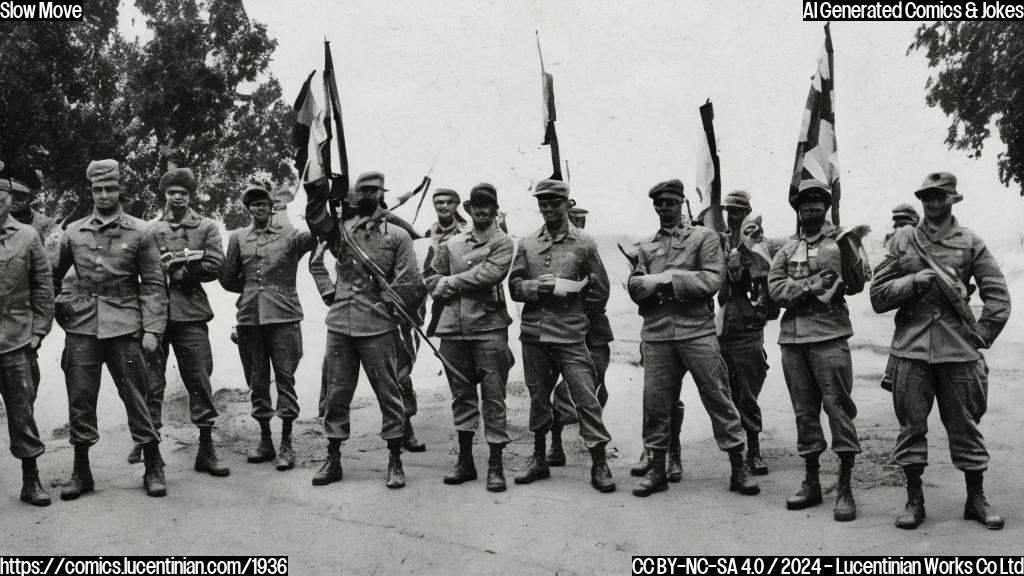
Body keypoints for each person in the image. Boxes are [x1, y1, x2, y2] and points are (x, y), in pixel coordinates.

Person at [870, 172, 1010, 530]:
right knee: (911, 427)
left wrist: (982, 336)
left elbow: (997, 295)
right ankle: (914, 501)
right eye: (927, 197)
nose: (932, 203)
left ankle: (975, 498)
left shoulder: (970, 242)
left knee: (965, 427)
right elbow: (878, 294)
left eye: (939, 197)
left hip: (958, 350)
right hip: (911, 349)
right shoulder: (903, 241)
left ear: (953, 199)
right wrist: (912, 282)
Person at [627, 179, 758, 498]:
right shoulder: (646, 245)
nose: (664, 208)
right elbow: (634, 284)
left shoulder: (704, 237)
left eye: (670, 203)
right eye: (659, 204)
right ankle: (657, 469)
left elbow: (713, 279)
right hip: (657, 333)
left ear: (681, 203)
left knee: (718, 396)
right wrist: (640, 285)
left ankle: (738, 467)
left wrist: (667, 280)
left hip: (696, 331)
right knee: (656, 403)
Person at [53, 159, 168, 499]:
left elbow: (153, 283)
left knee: (138, 397)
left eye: (110, 188)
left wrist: (152, 330)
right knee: (80, 399)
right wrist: (66, 310)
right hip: (83, 328)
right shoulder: (72, 232)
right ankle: (81, 470)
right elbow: (53, 278)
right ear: (90, 191)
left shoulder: (141, 230)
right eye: (97, 189)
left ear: (120, 189)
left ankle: (153, 464)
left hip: (125, 326)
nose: (104, 195)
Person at [305, 171, 426, 489]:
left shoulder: (397, 236)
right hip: (340, 326)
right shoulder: (342, 231)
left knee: (389, 394)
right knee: (336, 394)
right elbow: (316, 261)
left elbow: (409, 278)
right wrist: (330, 294)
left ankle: (395, 460)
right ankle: (333, 459)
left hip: (377, 326)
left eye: (376, 191)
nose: (370, 196)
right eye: (364, 191)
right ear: (356, 195)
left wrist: (386, 300)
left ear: (382, 195)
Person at [508, 178, 615, 493]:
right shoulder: (527, 244)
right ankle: (539, 459)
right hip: (534, 336)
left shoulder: (584, 243)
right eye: (542, 203)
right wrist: (535, 287)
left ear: (566, 204)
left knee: (585, 398)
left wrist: (581, 315)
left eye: (554, 202)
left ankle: (599, 462)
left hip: (570, 336)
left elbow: (600, 289)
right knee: (539, 398)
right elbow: (514, 286)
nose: (548, 208)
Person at [767, 179, 864, 521]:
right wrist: (810, 285)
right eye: (804, 203)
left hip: (829, 336)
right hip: (794, 340)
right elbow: (776, 289)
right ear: (797, 209)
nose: (810, 208)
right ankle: (811, 482)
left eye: (817, 203)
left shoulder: (838, 242)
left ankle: (845, 487)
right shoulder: (785, 249)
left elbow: (856, 283)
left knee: (839, 410)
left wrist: (849, 247)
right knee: (804, 413)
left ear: (825, 207)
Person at [135, 168, 228, 477]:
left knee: (199, 379)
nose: (177, 197)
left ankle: (206, 448)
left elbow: (216, 264)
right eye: (172, 192)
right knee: (151, 383)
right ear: (165, 195)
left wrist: (186, 271)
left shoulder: (206, 226)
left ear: (190, 197)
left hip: (190, 313)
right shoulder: (149, 229)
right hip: (154, 316)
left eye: (183, 193)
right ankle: (151, 451)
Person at [220, 182, 315, 471]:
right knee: (257, 380)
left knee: (285, 379)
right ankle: (265, 441)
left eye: (264, 204)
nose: (259, 208)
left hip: (284, 316)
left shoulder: (292, 236)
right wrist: (251, 290)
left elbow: (319, 233)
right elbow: (227, 278)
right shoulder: (238, 237)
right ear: (248, 208)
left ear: (272, 207)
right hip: (250, 318)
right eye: (254, 204)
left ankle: (287, 444)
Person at [425, 183, 515, 492]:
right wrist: (441, 283)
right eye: (475, 204)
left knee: (493, 397)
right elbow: (432, 276)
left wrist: (449, 283)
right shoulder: (452, 243)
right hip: (452, 329)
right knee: (461, 396)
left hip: (488, 328)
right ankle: (465, 461)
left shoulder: (503, 242)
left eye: (487, 204)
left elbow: (490, 274)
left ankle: (496, 465)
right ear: (468, 208)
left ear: (494, 209)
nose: (480, 209)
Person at [0, 175, 54, 506]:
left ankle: (30, 479)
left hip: (16, 339)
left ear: (10, 199)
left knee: (22, 412)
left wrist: (39, 331)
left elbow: (43, 285)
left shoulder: (27, 236)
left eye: (1, 195)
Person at [547, 203, 614, 468]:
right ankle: (556, 440)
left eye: (581, 221)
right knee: (558, 388)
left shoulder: (590, 250)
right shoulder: (552, 252)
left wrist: (583, 311)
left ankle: (593, 437)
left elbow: (601, 290)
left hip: (593, 330)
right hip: (559, 330)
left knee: (596, 384)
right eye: (573, 220)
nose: (578, 225)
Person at [717, 190, 776, 475]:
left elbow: (761, 281)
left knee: (748, 392)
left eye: (739, 211)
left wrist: (746, 249)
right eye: (729, 211)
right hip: (722, 325)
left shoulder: (757, 243)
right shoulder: (719, 241)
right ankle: (736, 448)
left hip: (748, 327)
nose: (733, 216)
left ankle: (753, 447)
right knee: (725, 391)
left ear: (748, 212)